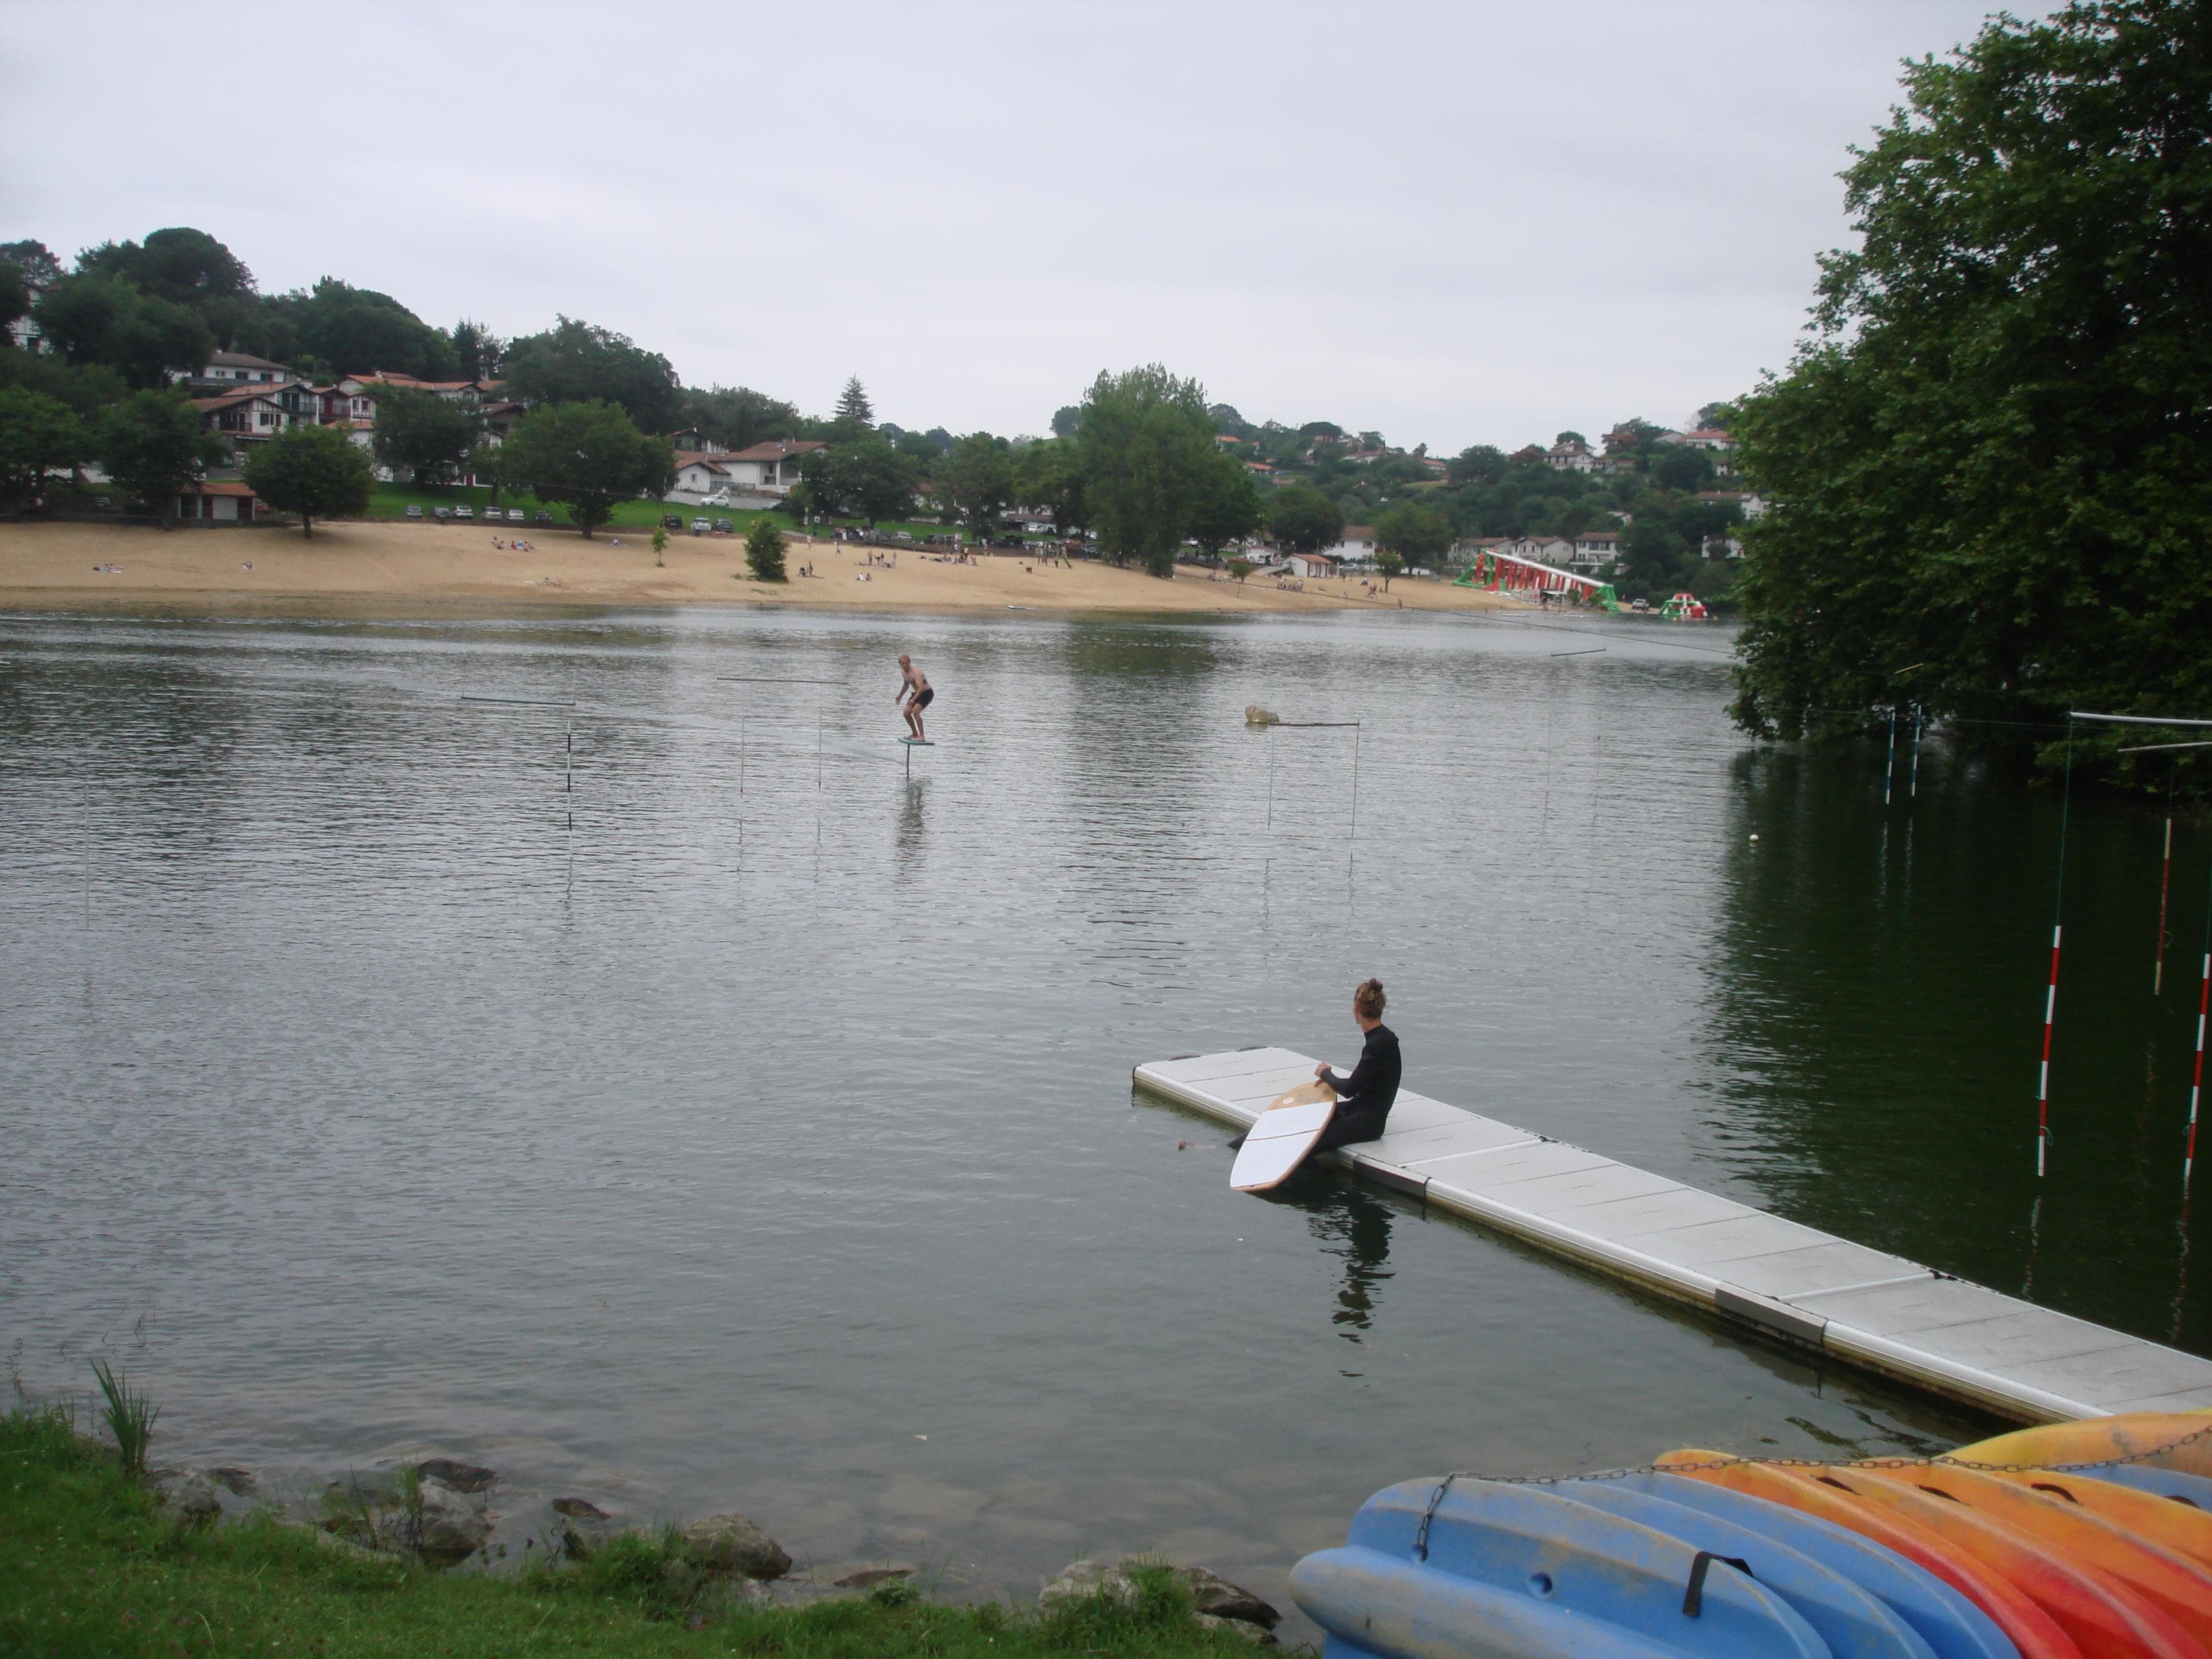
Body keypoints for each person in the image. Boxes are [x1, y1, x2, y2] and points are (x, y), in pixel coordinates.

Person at [1312, 979, 1401, 1151]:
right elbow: (1364, 1080)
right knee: (1312, 1118)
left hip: (1370, 1123)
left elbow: (1349, 1089)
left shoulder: (1376, 1045)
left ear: (1356, 1010)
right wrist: (1330, 1081)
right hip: (1360, 1108)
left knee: (1315, 1139)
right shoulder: (1384, 1038)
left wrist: (1326, 1074)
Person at [896, 653, 933, 739]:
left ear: (909, 663)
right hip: (917, 694)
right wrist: (900, 696)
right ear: (900, 665)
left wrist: (913, 700)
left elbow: (921, 688)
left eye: (907, 663)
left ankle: (922, 736)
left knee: (915, 712)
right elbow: (906, 684)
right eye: (903, 664)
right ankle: (915, 734)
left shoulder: (917, 673)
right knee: (906, 713)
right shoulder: (904, 673)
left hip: (926, 693)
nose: (905, 665)